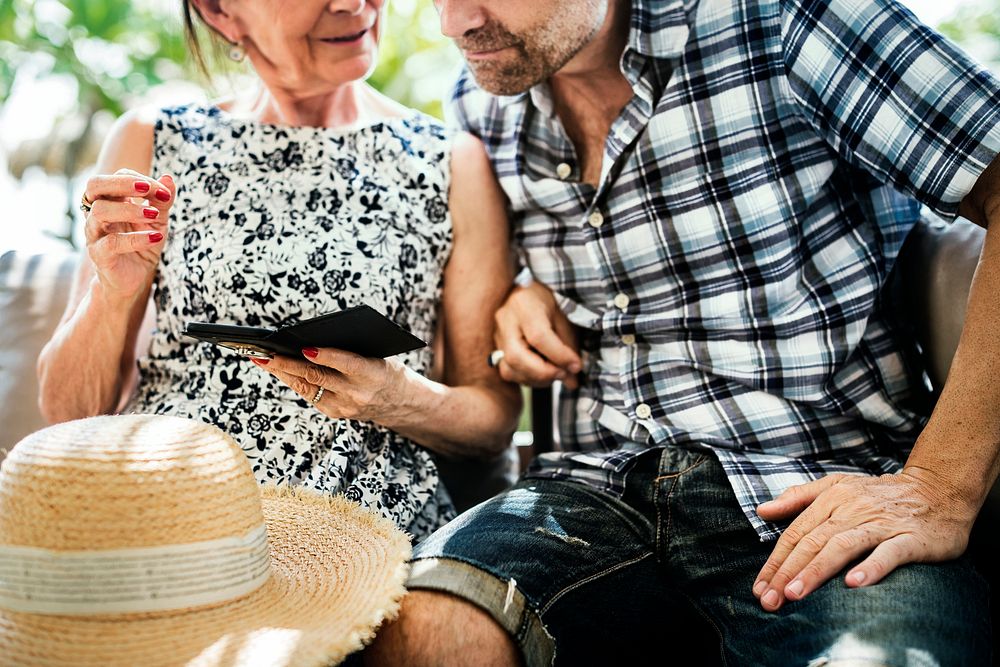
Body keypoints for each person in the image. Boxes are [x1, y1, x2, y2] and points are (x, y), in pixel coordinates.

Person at [366, 0, 1000, 664]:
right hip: (592, 488)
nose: (454, 23)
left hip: (818, 488)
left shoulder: (784, 20)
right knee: (423, 631)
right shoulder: (485, 90)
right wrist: (527, 290)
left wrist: (939, 485)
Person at [36, 0, 521, 543]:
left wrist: (398, 398)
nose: (351, 4)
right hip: (161, 500)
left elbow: (493, 419)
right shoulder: (154, 139)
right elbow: (68, 413)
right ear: (220, 12)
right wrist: (112, 293)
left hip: (348, 529)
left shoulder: (450, 162)